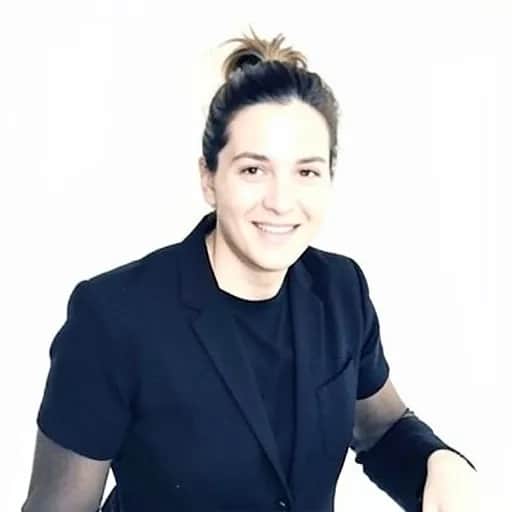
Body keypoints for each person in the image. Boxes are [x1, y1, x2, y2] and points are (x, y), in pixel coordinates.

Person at [22, 27, 478, 512]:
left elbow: (381, 429)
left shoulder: (341, 290)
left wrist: (440, 463)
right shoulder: (114, 318)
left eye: (306, 171)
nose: (281, 201)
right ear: (209, 179)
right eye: (253, 170)